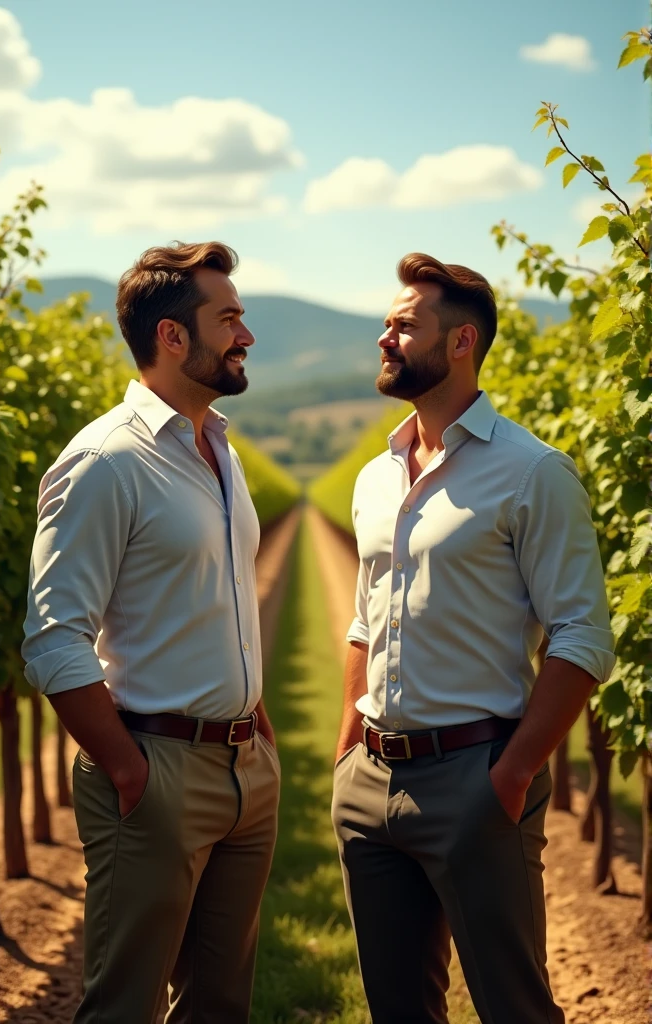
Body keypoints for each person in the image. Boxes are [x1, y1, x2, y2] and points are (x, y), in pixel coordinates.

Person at [331, 252, 615, 1024]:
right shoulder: (375, 476)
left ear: (461, 344)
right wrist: (347, 749)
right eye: (386, 324)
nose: (385, 338)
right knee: (398, 1011)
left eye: (403, 325)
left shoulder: (532, 473)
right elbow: (365, 615)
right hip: (371, 785)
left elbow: (583, 633)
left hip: (477, 779)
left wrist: (514, 774)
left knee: (513, 1009)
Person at [22, 242, 280, 1024]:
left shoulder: (218, 447)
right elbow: (54, 634)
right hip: (158, 770)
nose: (247, 335)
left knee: (219, 1005)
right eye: (228, 318)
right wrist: (130, 770)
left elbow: (223, 600)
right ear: (173, 337)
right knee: (124, 1006)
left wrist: (257, 728)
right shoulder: (105, 461)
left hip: (245, 769)